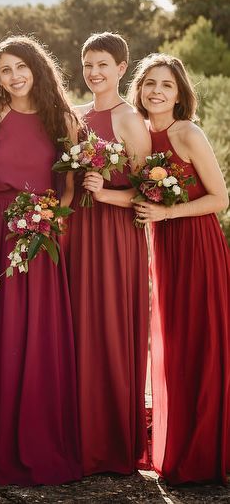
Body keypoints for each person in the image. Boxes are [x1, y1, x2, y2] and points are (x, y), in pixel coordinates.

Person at [0, 36, 81, 484]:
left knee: (36, 329)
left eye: (21, 67)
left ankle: (36, 438)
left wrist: (55, 221)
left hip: (42, 228)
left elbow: (68, 182)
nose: (14, 76)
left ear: (37, 69)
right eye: (5, 70)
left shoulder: (61, 117)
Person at [130, 53, 230, 484]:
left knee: (200, 339)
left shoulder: (187, 133)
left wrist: (167, 215)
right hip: (165, 247)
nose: (156, 91)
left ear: (179, 93)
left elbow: (220, 199)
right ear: (138, 89)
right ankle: (181, 441)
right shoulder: (138, 135)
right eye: (150, 83)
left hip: (197, 243)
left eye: (166, 85)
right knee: (172, 342)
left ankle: (206, 451)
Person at [62, 32, 151, 475]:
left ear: (121, 69)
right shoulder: (77, 116)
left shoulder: (129, 118)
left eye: (103, 65)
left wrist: (107, 195)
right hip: (78, 231)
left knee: (110, 327)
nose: (94, 73)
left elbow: (148, 189)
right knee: (79, 328)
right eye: (88, 65)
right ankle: (80, 435)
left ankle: (111, 444)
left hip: (115, 236)